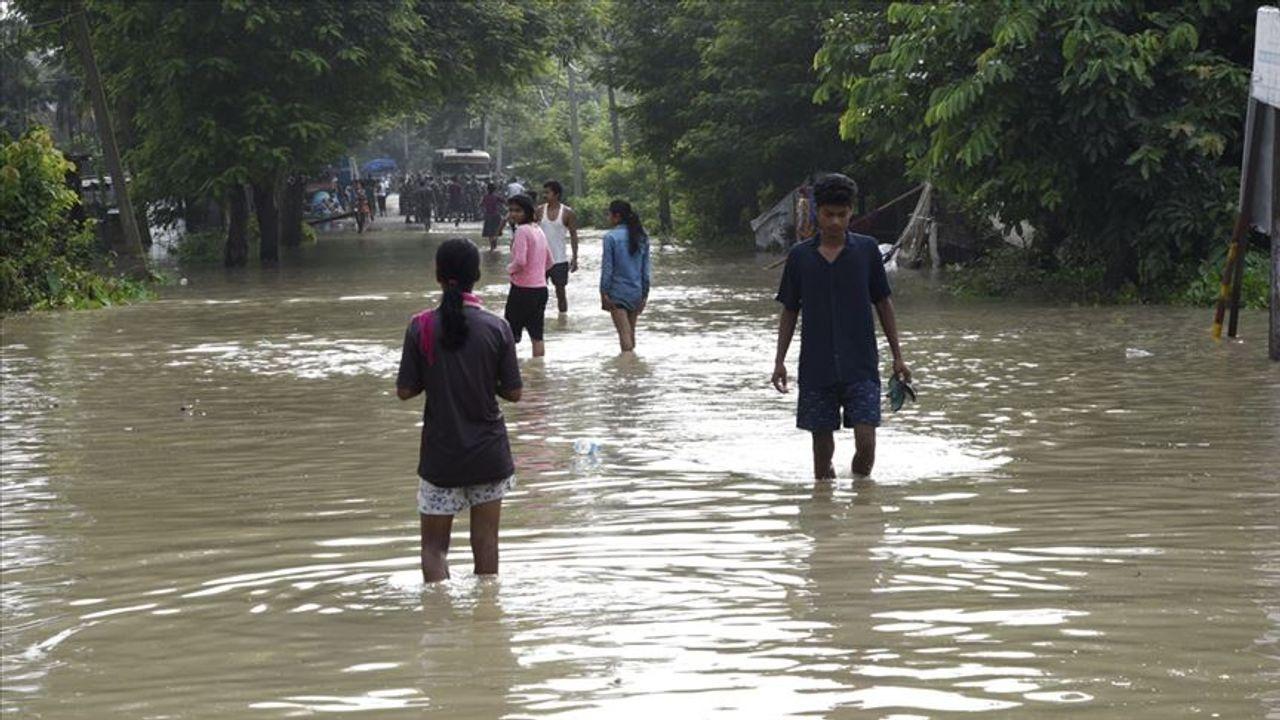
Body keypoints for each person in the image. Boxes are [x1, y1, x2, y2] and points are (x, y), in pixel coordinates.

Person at [396, 238, 523, 583]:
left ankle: (438, 623)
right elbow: (514, 392)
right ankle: (486, 624)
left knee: (434, 548)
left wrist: (436, 377)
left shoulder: (420, 326)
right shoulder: (498, 327)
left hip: (442, 457)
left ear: (437, 275)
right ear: (476, 276)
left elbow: (405, 390)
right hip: (489, 455)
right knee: (486, 544)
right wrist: (484, 381)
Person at [770, 173, 911, 481]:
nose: (834, 222)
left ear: (851, 214)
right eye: (828, 214)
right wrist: (779, 361)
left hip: (861, 365)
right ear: (816, 213)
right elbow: (790, 311)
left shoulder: (867, 251)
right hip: (816, 368)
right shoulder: (799, 257)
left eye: (841, 215)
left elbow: (883, 303)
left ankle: (863, 503)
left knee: (866, 443)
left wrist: (898, 356)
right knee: (821, 459)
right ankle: (826, 513)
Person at [503, 193, 553, 358]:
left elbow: (520, 261)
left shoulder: (522, 231)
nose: (513, 214)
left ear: (527, 211)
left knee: (510, 336)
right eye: (511, 210)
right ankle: (539, 374)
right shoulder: (538, 230)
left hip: (522, 290)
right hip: (540, 290)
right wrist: (537, 274)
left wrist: (508, 269)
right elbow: (549, 261)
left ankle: (509, 373)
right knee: (537, 336)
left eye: (518, 211)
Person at [599, 200, 651, 353]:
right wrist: (645, 294)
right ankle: (633, 370)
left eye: (609, 214)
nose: (608, 217)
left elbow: (607, 268)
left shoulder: (610, 238)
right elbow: (645, 270)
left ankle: (627, 370)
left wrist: (603, 292)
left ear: (617, 216)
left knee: (624, 333)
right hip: (636, 291)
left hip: (618, 292)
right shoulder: (642, 237)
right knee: (630, 332)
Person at [535, 180, 580, 314]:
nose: (544, 195)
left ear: (556, 194)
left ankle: (563, 320)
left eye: (547, 192)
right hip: (540, 260)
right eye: (544, 192)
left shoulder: (567, 213)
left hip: (559, 260)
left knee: (561, 293)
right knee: (538, 293)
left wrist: (575, 257)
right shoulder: (539, 211)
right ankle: (538, 318)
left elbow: (573, 235)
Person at [481, 183, 505, 252]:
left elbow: (481, 204)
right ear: (495, 190)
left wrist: (484, 210)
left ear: (487, 189)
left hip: (488, 215)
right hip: (496, 215)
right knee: (495, 230)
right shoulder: (496, 196)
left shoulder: (485, 197)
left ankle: (492, 247)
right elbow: (504, 201)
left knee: (489, 232)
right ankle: (495, 243)